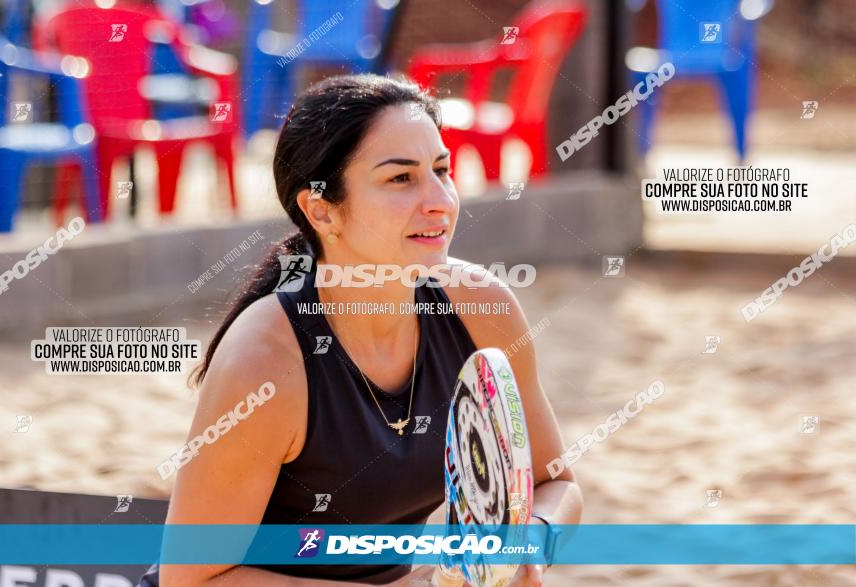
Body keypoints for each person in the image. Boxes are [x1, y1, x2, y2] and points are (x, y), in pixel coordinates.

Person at [157, 74, 583, 586]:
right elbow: (193, 579)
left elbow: (555, 484)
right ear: (321, 210)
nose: (440, 201)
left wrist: (528, 542)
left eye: (441, 169)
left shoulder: (481, 306)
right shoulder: (265, 361)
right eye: (400, 179)